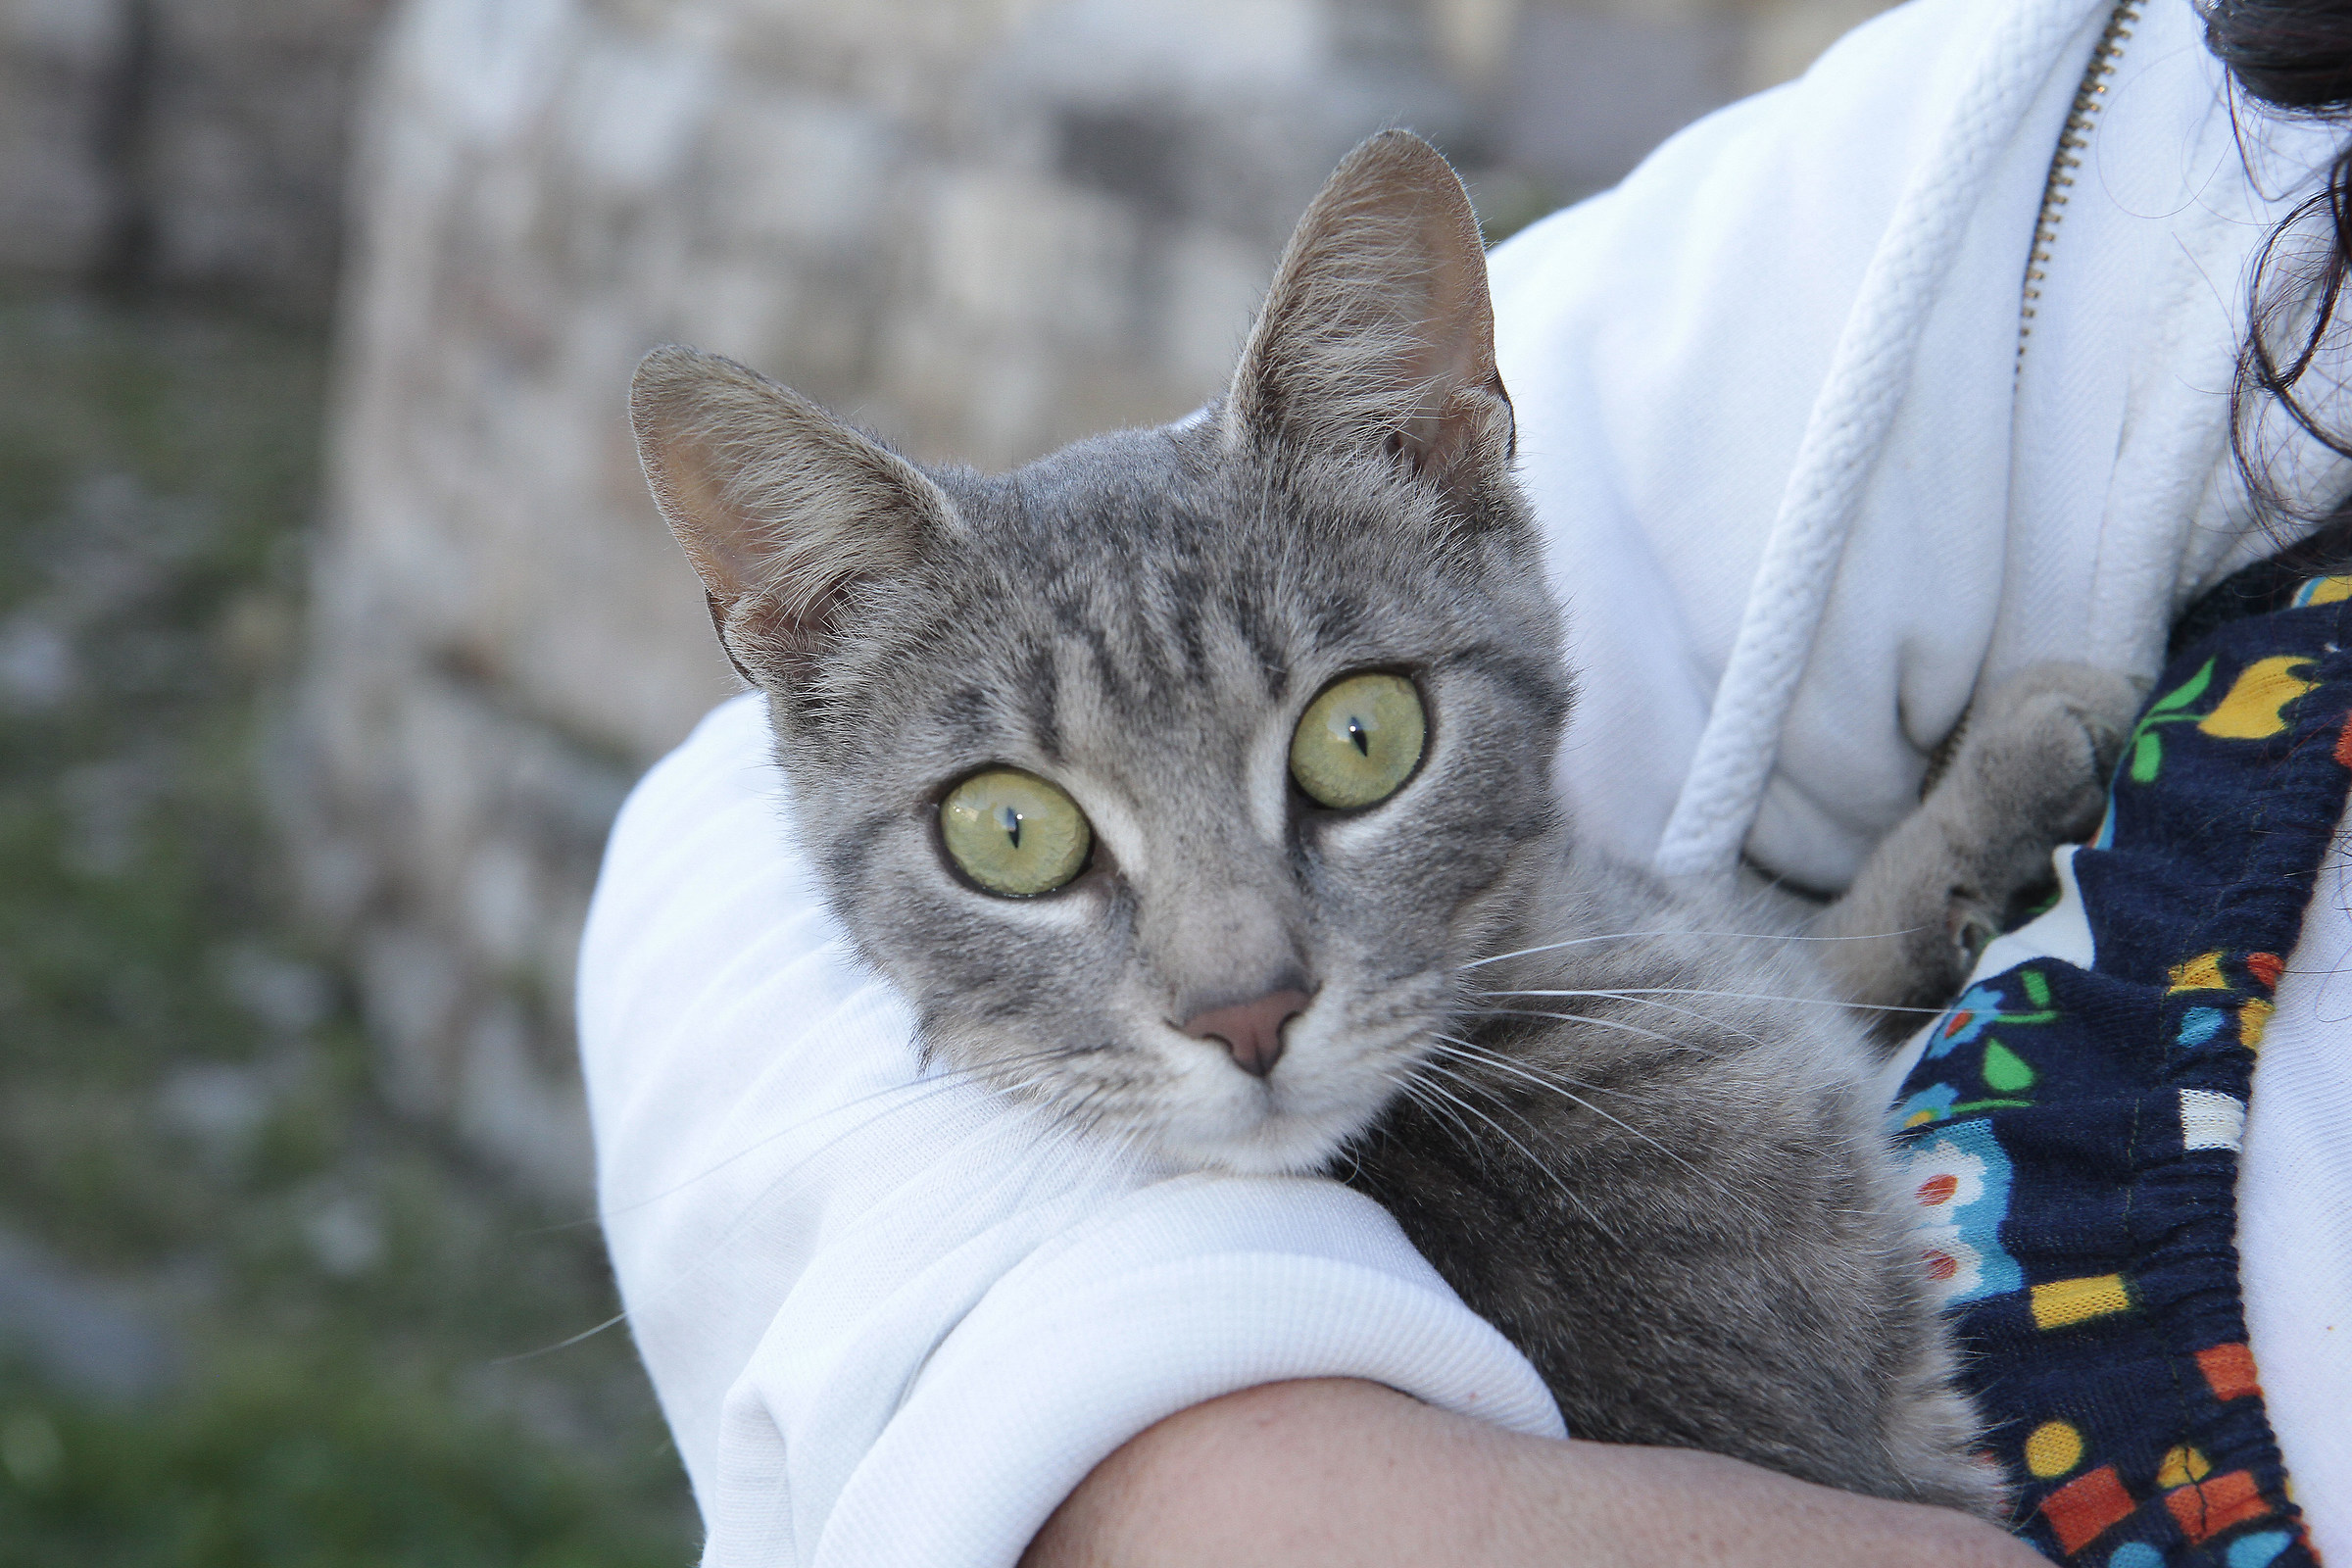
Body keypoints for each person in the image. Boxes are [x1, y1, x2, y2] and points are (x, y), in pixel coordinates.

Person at [575, 0, 2352, 1560]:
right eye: (1023, 835)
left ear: (1453, 467)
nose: (1238, 988)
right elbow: (695, 874)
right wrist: (1177, 1474)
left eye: (1351, 753)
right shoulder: (2135, 145)